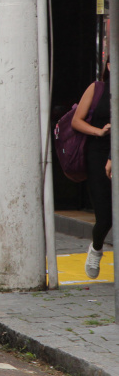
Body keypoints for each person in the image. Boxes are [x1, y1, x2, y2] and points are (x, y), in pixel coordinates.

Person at [72, 61, 111, 278]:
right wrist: (99, 132)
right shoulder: (97, 89)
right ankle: (96, 248)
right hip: (98, 153)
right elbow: (76, 121)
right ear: (109, 65)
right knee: (105, 216)